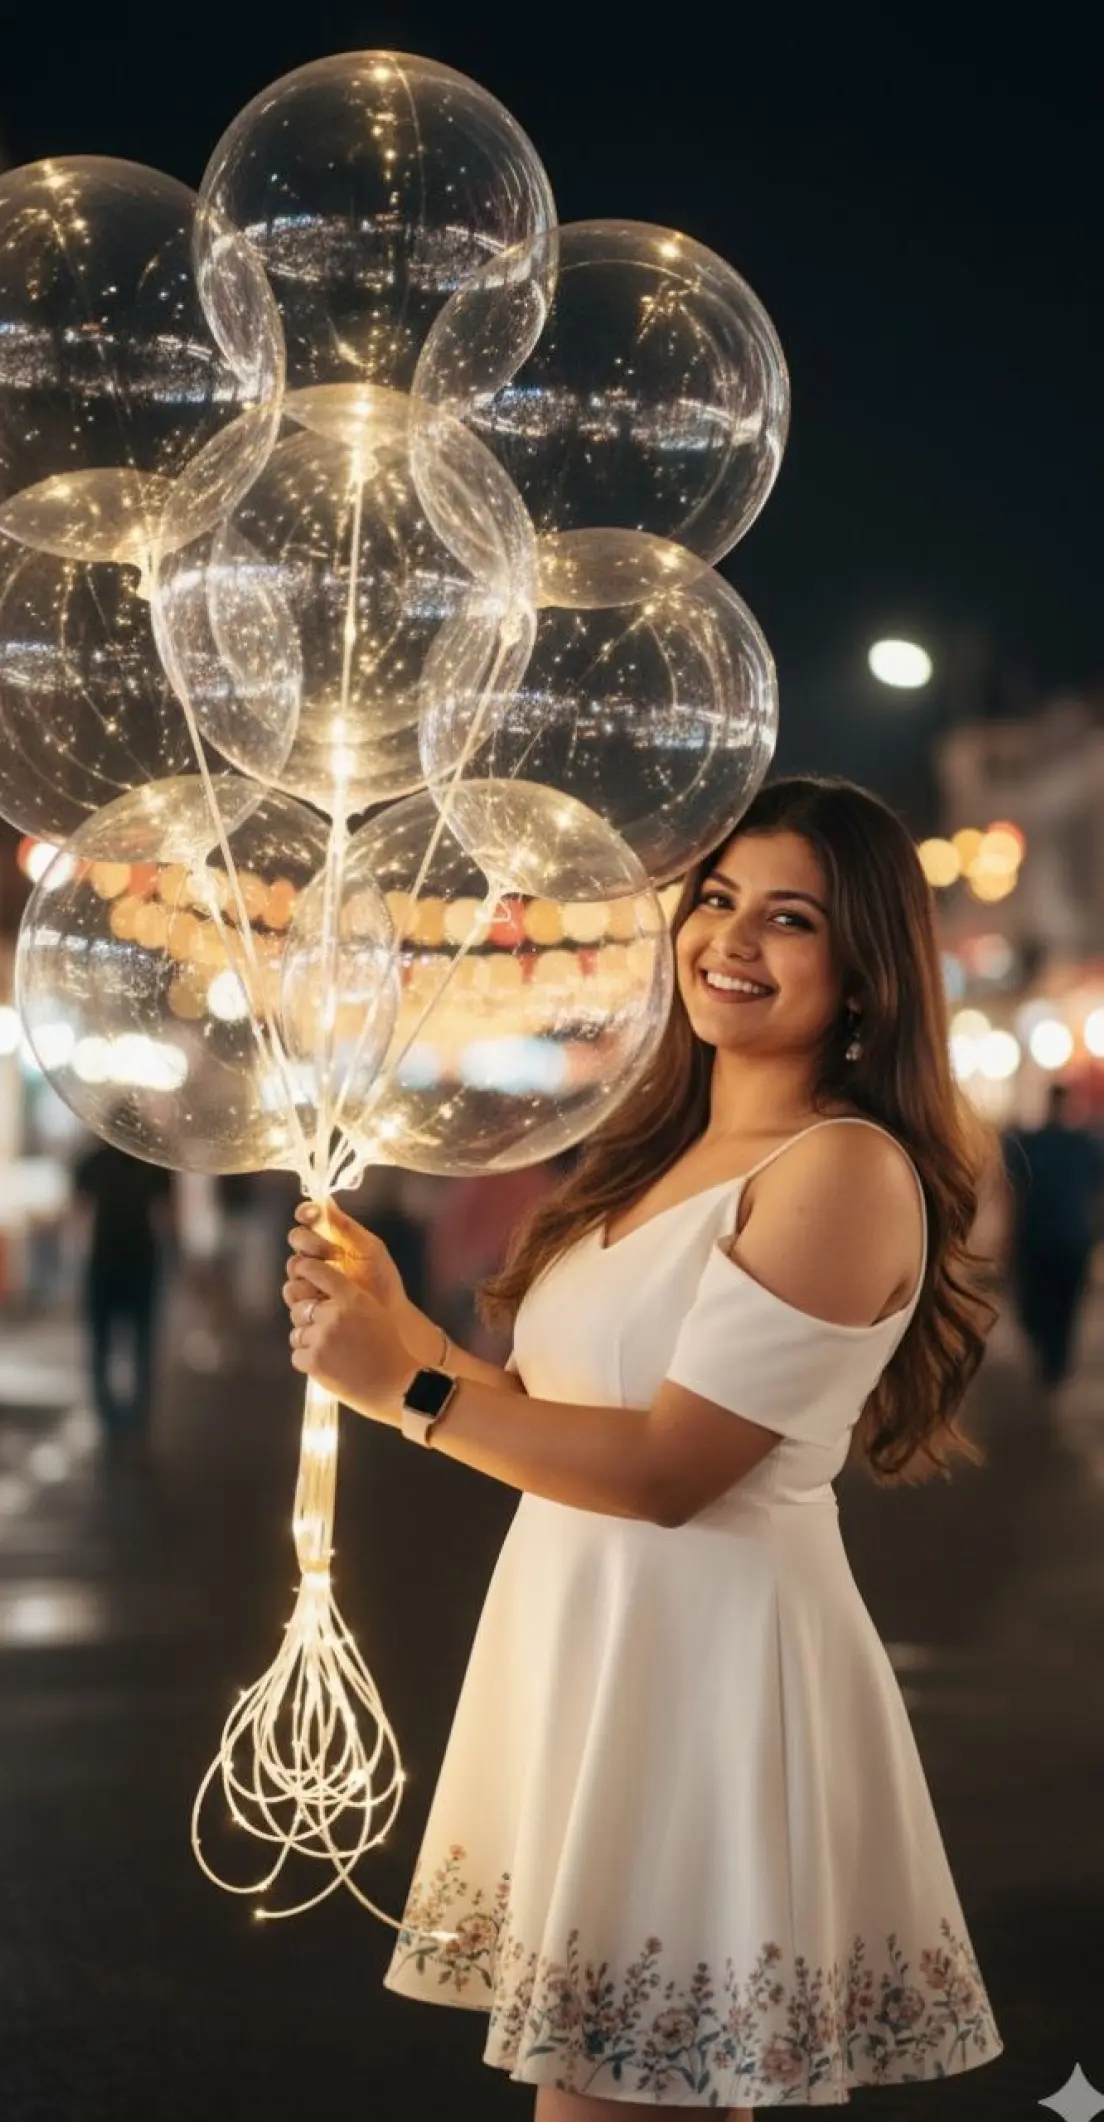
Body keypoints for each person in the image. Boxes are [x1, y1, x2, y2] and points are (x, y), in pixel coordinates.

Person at [281, 774, 1006, 2116]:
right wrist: (401, 1333)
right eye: (717, 898)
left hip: (702, 1659)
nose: (732, 938)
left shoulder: (840, 1169)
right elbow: (562, 1406)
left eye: (790, 917)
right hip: (592, 1633)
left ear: (864, 970)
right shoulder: (657, 1149)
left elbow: (672, 1468)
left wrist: (412, 1391)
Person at [72, 1138, 173, 1453]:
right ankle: (136, 1420)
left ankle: (111, 1419)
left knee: (103, 1344)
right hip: (140, 1260)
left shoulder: (93, 1160)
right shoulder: (152, 1160)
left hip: (106, 1260)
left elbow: (79, 1211)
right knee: (141, 1345)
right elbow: (167, 1215)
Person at [1003, 1081, 1104, 1390]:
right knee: (1062, 1307)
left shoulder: (1030, 1143)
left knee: (1041, 1303)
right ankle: (1054, 1363)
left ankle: (1050, 1360)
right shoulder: (1084, 1144)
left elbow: (1012, 1193)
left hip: (1040, 1237)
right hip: (1068, 1238)